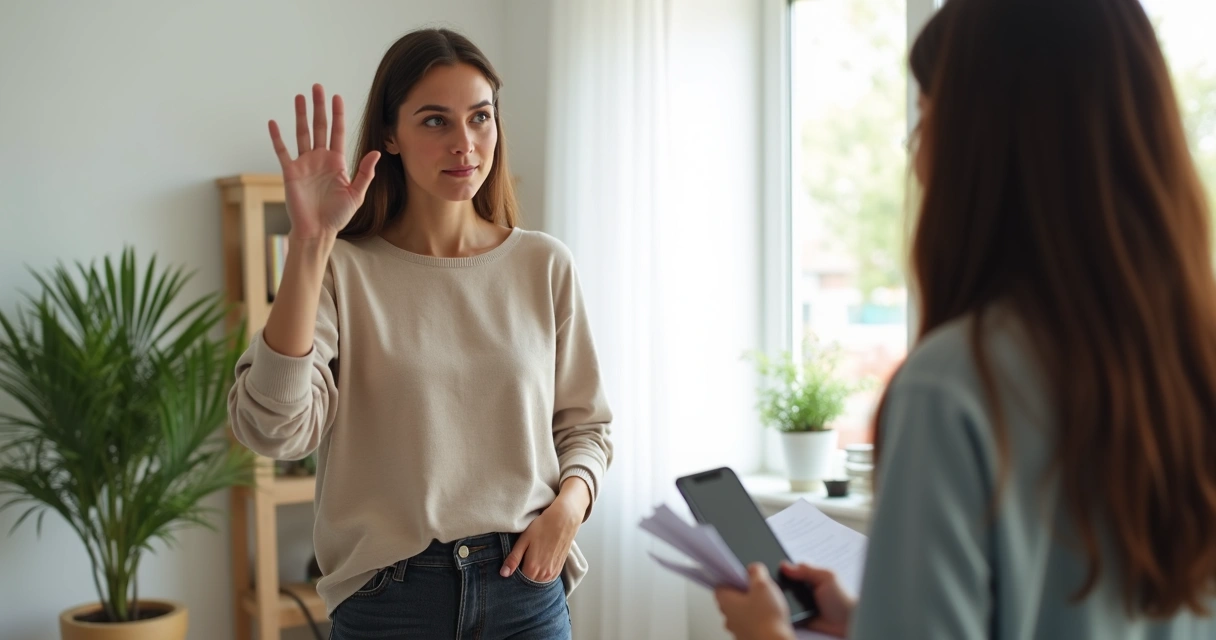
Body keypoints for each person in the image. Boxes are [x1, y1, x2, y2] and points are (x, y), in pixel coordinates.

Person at [715, 0, 1216, 637]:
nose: (917, 156)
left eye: (925, 117)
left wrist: (772, 634)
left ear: (987, 144)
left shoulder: (954, 384)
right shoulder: (1193, 365)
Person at [228, 28, 613, 639]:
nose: (465, 143)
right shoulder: (340, 270)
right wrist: (309, 245)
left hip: (525, 591)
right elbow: (274, 429)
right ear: (389, 134)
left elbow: (585, 425)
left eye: (480, 117)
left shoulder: (544, 264)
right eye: (435, 121)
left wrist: (569, 508)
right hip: (389, 601)